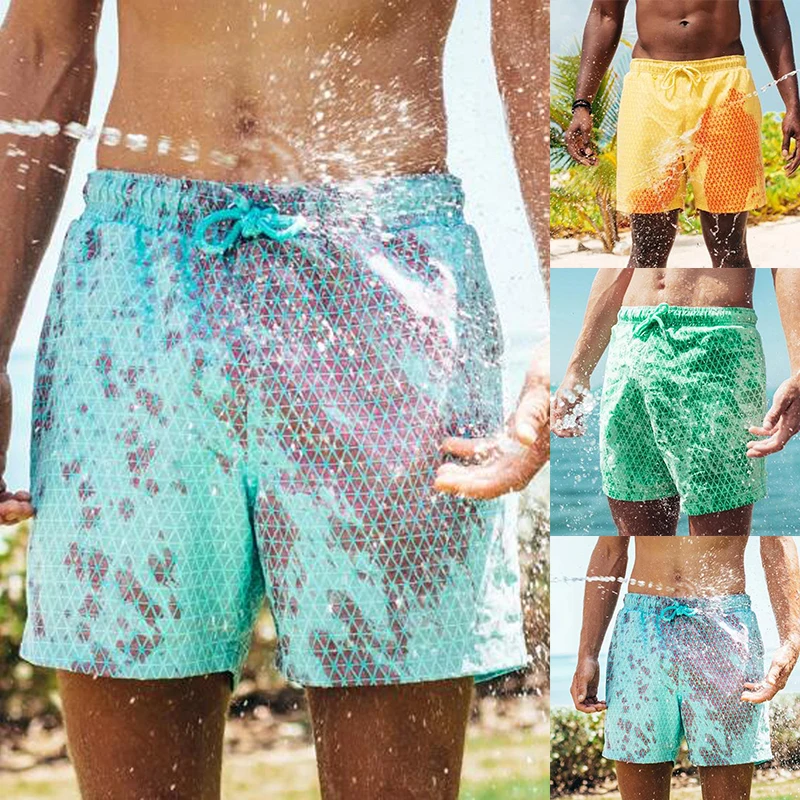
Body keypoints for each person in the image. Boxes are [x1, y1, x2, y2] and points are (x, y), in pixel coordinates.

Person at [0, 1, 550, 798]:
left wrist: (561, 344)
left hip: (382, 280)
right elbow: (44, 43)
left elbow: (533, 29)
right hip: (134, 292)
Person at [552, 268, 800, 536]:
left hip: (716, 348)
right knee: (640, 541)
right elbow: (617, 263)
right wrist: (578, 370)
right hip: (630, 343)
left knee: (715, 549)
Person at [566, 0, 800, 268]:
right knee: (647, 251)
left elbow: (769, 12)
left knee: (729, 249)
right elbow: (605, 16)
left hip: (725, 87)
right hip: (650, 88)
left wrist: (792, 104)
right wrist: (582, 103)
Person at [571, 535, 800, 800]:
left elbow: (776, 541)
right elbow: (611, 549)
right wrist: (588, 654)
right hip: (641, 635)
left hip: (723, 627)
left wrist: (792, 639)